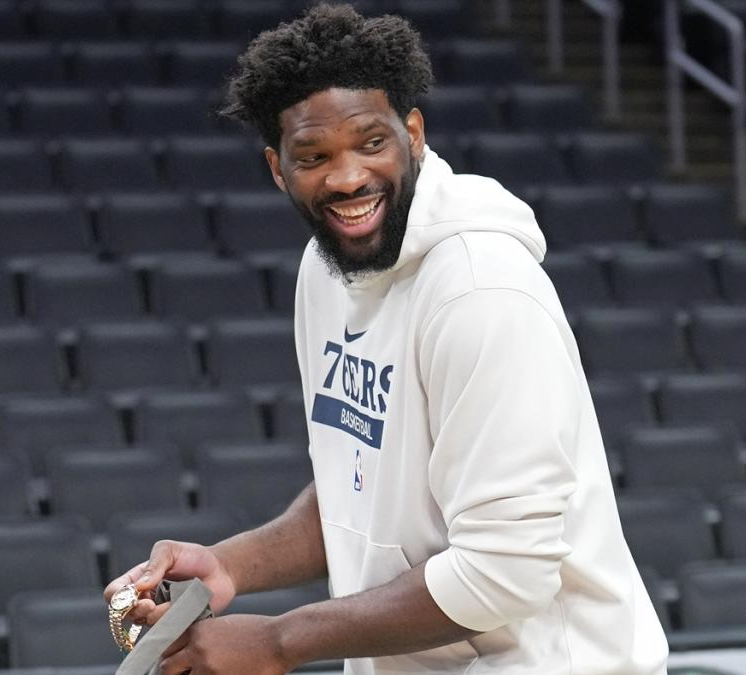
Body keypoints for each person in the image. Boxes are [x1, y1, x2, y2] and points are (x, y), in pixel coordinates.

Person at [103, 4, 669, 673]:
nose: (347, 177)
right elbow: (362, 486)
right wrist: (227, 566)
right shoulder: (325, 273)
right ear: (279, 169)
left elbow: (506, 571)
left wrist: (278, 640)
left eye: (371, 143)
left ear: (414, 135)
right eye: (315, 156)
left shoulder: (482, 291)